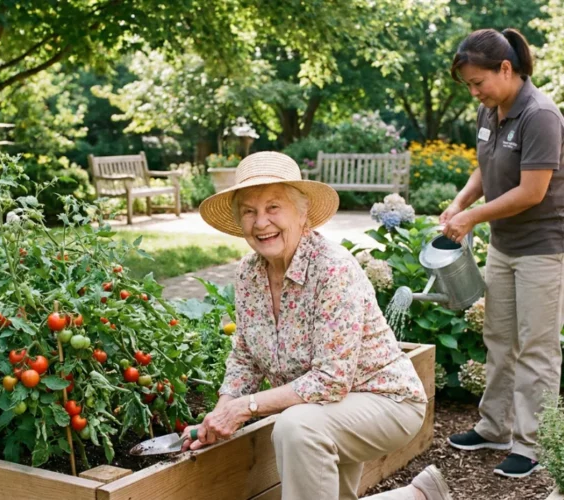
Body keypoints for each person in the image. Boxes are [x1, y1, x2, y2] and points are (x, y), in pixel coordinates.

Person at [180, 151, 452, 500]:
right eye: (249, 211)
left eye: (273, 207)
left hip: (384, 401)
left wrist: (245, 407)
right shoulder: (249, 273)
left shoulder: (332, 269)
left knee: (295, 427)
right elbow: (245, 357)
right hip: (324, 409)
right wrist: (219, 415)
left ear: (302, 211)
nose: (261, 222)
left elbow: (332, 378)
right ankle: (418, 496)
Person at [443, 28, 564, 478]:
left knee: (537, 348)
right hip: (504, 245)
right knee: (498, 339)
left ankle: (532, 445)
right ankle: (495, 426)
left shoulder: (541, 115)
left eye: (478, 82)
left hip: (542, 248)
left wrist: (471, 219)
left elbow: (531, 192)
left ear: (507, 69)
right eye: (470, 85)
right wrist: (460, 203)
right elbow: (485, 165)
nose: (474, 92)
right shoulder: (491, 109)